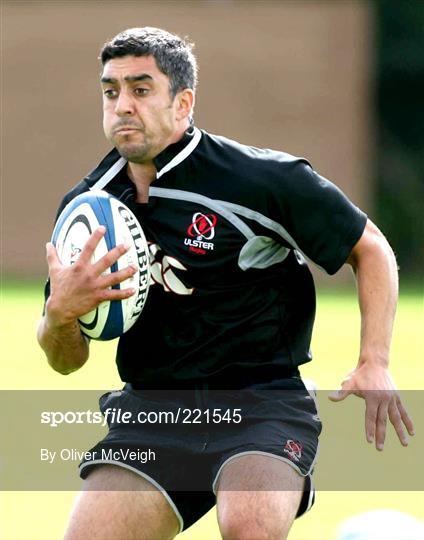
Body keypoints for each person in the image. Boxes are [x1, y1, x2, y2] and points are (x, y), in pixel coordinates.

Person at [37, 27, 414, 540]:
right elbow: (65, 360)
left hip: (263, 406)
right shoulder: (86, 211)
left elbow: (369, 247)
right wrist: (60, 313)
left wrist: (375, 361)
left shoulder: (258, 180)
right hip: (152, 414)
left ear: (183, 101)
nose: (122, 105)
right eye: (111, 91)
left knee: (248, 527)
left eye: (141, 89)